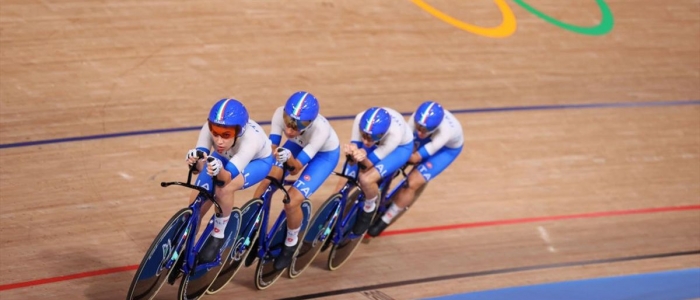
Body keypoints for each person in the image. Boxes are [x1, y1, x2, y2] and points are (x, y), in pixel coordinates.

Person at [251, 91, 341, 270]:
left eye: (297, 127)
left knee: (292, 201)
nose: (290, 130)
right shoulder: (279, 114)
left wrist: (288, 158)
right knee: (267, 182)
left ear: (309, 123)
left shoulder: (320, 130)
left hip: (324, 156)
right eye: (288, 123)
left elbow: (295, 169)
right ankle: (254, 229)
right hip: (298, 145)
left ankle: (291, 243)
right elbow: (272, 148)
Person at [185, 98, 274, 263]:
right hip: (224, 156)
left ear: (238, 132)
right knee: (195, 205)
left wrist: (217, 170)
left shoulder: (250, 141)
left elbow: (225, 179)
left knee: (223, 189)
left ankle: (218, 234)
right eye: (215, 133)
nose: (219, 141)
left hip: (257, 162)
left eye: (226, 135)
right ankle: (185, 242)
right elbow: (198, 168)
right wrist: (194, 161)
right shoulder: (208, 128)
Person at [367, 101, 463, 237]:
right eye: (418, 126)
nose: (420, 131)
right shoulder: (416, 118)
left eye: (424, 129)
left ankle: (386, 218)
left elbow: (416, 157)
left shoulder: (445, 132)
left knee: (412, 182)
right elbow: (405, 143)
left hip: (445, 150)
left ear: (435, 126)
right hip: (429, 138)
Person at [341, 106, 414, 236]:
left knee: (366, 179)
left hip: (400, 149)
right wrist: (352, 154)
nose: (365, 141)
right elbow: (353, 157)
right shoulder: (359, 119)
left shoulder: (394, 134)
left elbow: (367, 165)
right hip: (379, 141)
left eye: (370, 138)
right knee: (347, 175)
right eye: (363, 135)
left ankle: (369, 207)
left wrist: (361, 156)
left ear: (382, 134)